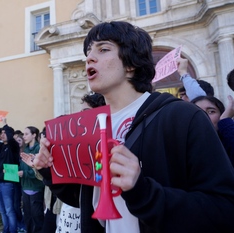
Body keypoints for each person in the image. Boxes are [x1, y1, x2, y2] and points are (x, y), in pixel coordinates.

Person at [34, 21, 234, 233]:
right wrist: (51, 171)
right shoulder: (90, 126)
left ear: (131, 64)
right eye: (89, 52)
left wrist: (144, 192)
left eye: (103, 49)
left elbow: (224, 209)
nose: (89, 58)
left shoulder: (183, 117)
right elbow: (85, 200)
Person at [191, 95, 234, 167]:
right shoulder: (185, 148)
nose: (205, 116)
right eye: (198, 112)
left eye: (211, 111)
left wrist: (225, 120)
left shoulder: (228, 141)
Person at [19, 126, 44, 233]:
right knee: (28, 216)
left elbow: (40, 170)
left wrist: (25, 173)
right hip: (25, 188)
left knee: (37, 217)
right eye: (23, 134)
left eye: (26, 134)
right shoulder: (24, 149)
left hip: (36, 188)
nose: (23, 136)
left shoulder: (39, 149)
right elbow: (22, 166)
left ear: (34, 135)